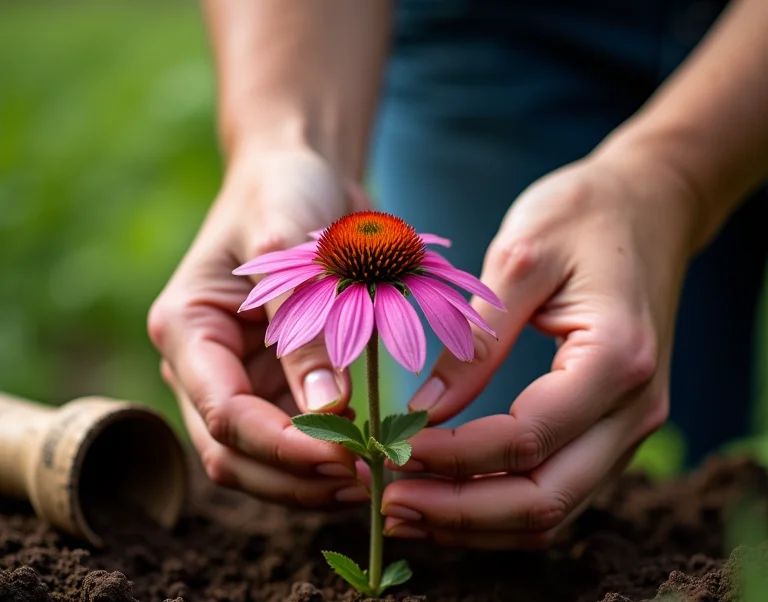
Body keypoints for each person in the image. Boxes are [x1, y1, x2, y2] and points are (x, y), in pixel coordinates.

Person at [149, 0, 768, 550]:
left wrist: (672, 179)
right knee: (499, 473)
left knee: (687, 497)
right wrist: (283, 142)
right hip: (487, 34)